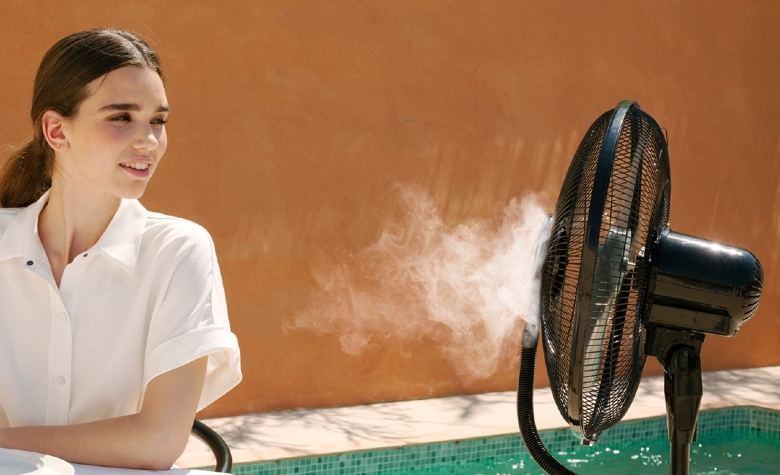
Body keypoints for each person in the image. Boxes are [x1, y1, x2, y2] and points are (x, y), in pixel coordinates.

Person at [0, 29, 241, 469]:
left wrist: (6, 441)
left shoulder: (178, 252)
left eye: (158, 120)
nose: (148, 139)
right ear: (56, 130)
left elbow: (159, 442)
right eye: (121, 117)